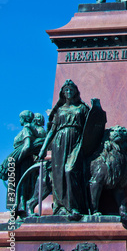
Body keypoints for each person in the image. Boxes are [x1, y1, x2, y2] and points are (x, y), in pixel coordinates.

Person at [38, 80, 90, 218]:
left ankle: (75, 206)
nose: (69, 92)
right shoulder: (59, 110)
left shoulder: (82, 108)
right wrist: (44, 148)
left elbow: (90, 127)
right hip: (59, 142)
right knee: (59, 174)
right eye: (66, 90)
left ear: (76, 92)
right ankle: (60, 206)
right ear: (63, 93)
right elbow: (52, 130)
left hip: (76, 141)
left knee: (70, 170)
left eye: (71, 90)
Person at [0, 111, 44, 216]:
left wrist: (17, 159)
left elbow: (27, 145)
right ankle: (20, 209)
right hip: (24, 160)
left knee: (21, 184)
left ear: (25, 119)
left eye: (21, 118)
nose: (19, 120)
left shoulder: (26, 129)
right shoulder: (29, 129)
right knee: (22, 184)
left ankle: (22, 209)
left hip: (23, 161)